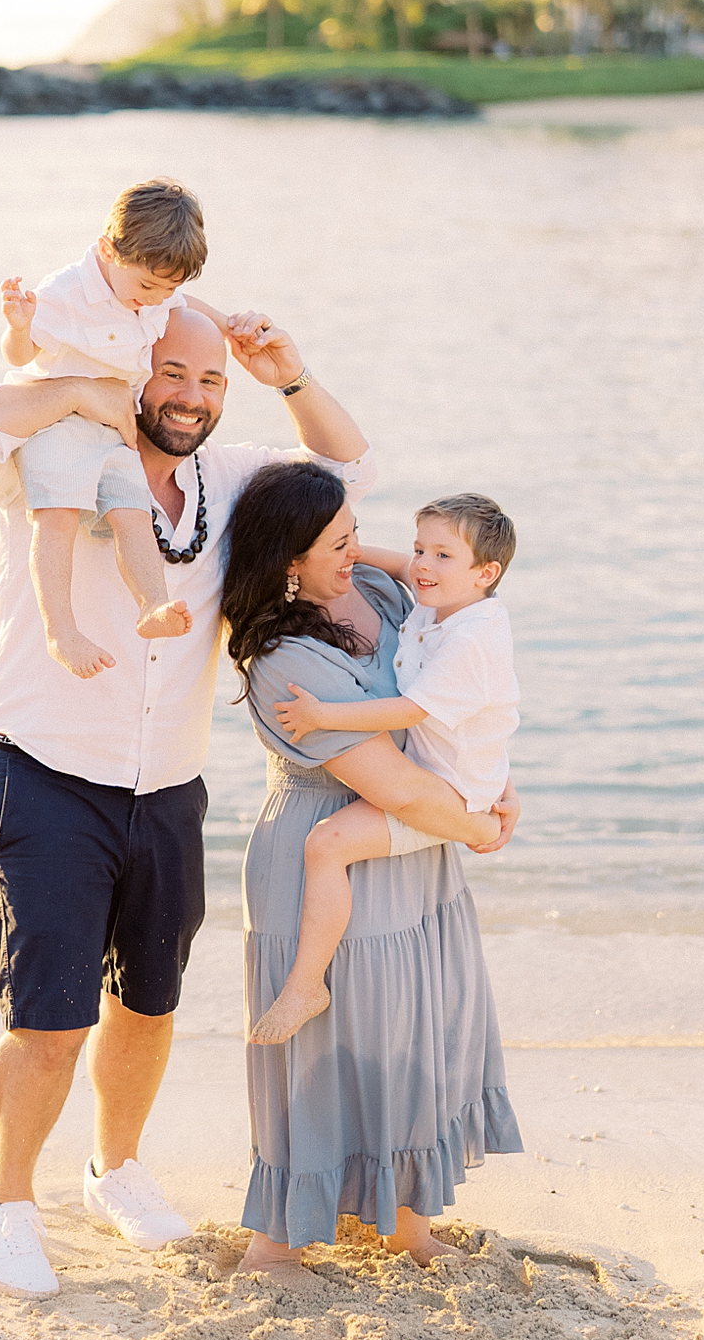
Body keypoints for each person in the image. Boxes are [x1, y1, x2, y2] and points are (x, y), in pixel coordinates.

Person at [0, 305, 444, 1296]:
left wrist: (289, 376)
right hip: (43, 766)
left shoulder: (229, 480)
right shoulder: (53, 457)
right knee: (49, 1020)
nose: (190, 395)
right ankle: (5, 1201)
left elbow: (345, 476)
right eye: (171, 373)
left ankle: (115, 1172)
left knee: (146, 1005)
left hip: (165, 785)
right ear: (127, 370)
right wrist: (68, 387)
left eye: (208, 379)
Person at [220, 462, 523, 1271]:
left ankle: (403, 1226)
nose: (362, 551)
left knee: (403, 1038)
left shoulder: (385, 595)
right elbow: (388, 776)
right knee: (319, 1052)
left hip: (413, 842)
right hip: (337, 835)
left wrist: (494, 782)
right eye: (339, 542)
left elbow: (456, 705)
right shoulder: (284, 656)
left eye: (357, 533)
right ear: (289, 558)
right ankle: (276, 1245)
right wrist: (475, 822)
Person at [252, 492, 520, 1043]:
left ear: (486, 573)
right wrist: (330, 550)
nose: (421, 565)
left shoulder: (470, 638)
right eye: (420, 548)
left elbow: (414, 709)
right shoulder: (448, 599)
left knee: (328, 845)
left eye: (442, 556)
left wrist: (325, 714)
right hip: (455, 770)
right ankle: (306, 984)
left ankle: (306, 983)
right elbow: (399, 565)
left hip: (449, 790)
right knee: (330, 845)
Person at [0, 176, 266, 678]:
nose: (155, 299)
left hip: (114, 427)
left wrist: (232, 326)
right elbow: (21, 355)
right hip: (60, 424)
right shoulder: (66, 293)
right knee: (56, 520)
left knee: (132, 516)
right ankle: (62, 630)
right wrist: (18, 325)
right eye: (147, 285)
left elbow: (187, 306)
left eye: (169, 288)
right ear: (108, 249)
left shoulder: (157, 292)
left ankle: (151, 605)